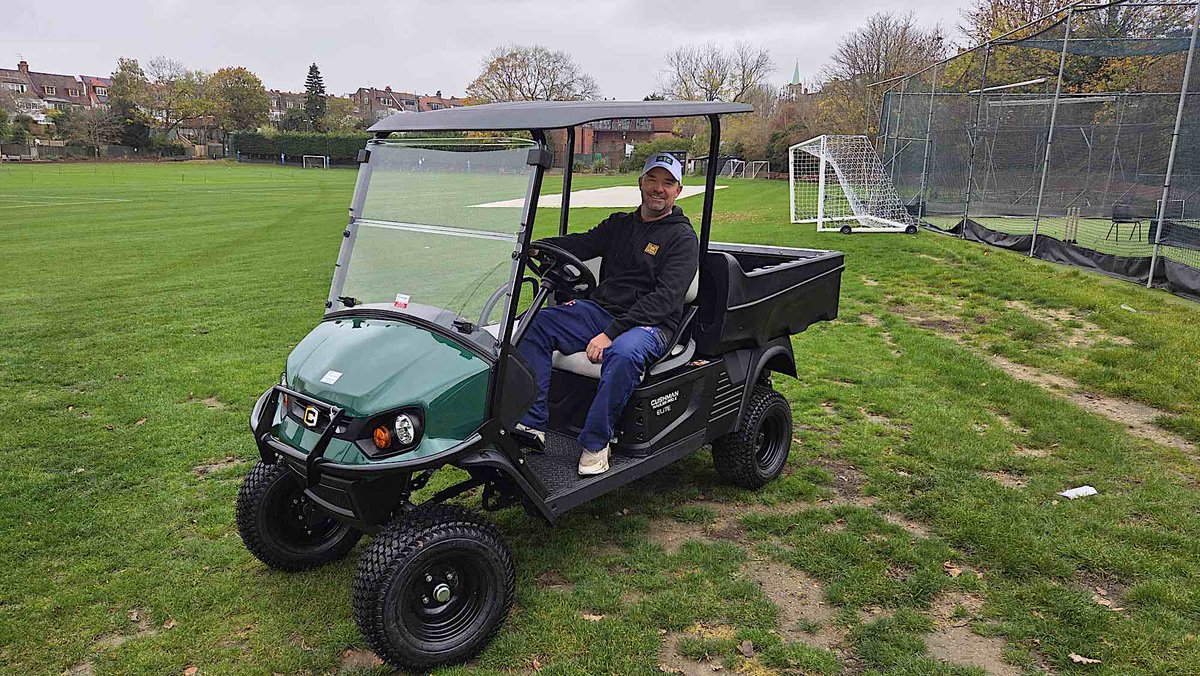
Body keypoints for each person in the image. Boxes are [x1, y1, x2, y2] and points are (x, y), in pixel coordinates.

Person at [514, 153, 699, 475]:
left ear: (678, 190)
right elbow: (581, 244)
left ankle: (596, 443)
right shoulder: (619, 225)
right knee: (535, 324)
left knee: (624, 353)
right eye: (652, 180)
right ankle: (532, 424)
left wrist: (610, 333)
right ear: (640, 183)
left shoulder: (682, 238)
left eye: (667, 183)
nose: (659, 189)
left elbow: (666, 298)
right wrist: (536, 245)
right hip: (602, 311)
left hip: (651, 323)